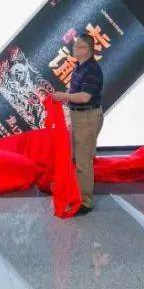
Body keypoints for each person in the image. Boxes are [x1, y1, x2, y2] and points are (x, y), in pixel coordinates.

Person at [52, 34, 104, 216]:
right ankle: (75, 194)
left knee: (83, 161)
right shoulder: (79, 67)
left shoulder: (93, 70)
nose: (74, 49)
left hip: (87, 117)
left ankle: (85, 202)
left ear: (87, 49)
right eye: (74, 46)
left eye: (78, 46)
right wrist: (64, 96)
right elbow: (74, 90)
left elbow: (85, 97)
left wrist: (64, 96)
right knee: (74, 157)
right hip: (77, 117)